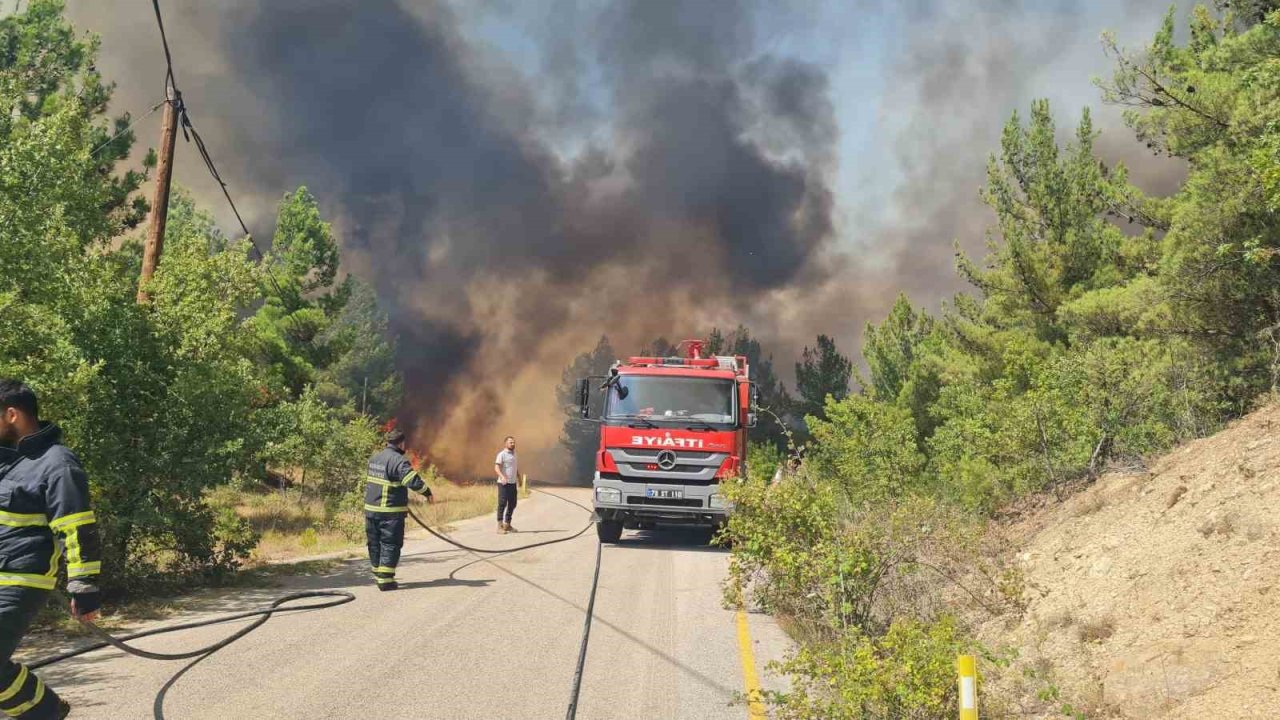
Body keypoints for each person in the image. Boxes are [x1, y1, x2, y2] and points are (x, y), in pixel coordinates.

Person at [0, 379, 100, 720]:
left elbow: (76, 524)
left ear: (11, 414)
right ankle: (46, 710)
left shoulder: (57, 462)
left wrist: (83, 584)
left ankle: (44, 712)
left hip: (21, 581)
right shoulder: (5, 464)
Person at [364, 429, 433, 591]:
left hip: (370, 510)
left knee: (374, 544)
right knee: (390, 543)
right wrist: (427, 493)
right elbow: (413, 481)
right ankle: (385, 580)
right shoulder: (398, 461)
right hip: (389, 512)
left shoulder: (375, 458)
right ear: (401, 443)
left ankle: (378, 575)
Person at [494, 436, 519, 534]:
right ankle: (499, 526)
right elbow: (496, 468)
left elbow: (515, 467)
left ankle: (507, 524)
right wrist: (502, 477)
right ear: (505, 444)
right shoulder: (502, 454)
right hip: (503, 483)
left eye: (513, 442)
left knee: (513, 504)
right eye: (510, 442)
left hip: (513, 483)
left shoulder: (515, 454)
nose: (513, 444)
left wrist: (519, 477)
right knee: (502, 503)